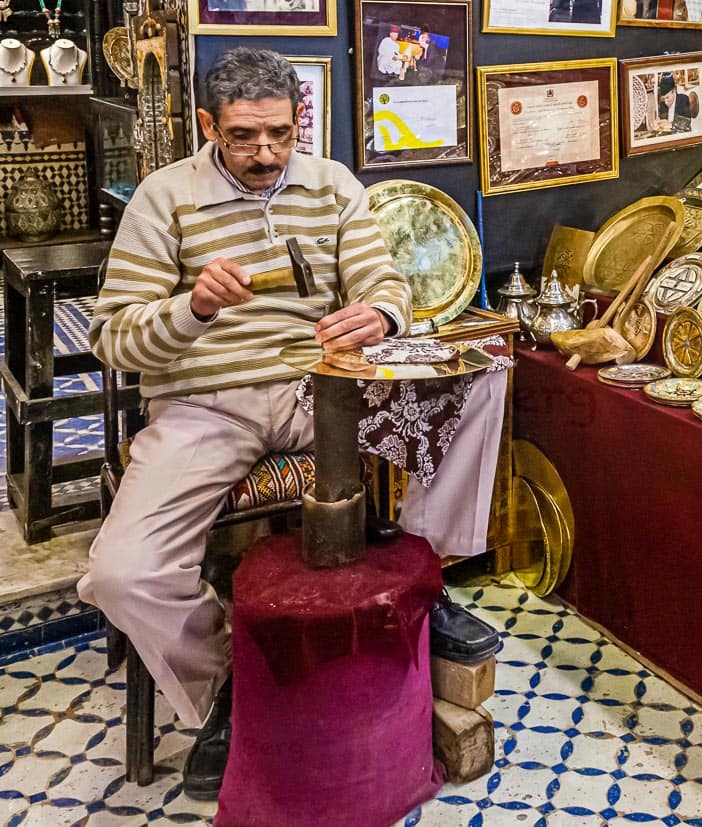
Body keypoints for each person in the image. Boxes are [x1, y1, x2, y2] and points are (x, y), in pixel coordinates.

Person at [77, 47, 412, 800]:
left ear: (300, 120)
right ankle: (232, 677)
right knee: (120, 573)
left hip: (311, 389)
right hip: (204, 404)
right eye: (242, 137)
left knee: (458, 405)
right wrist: (190, 309)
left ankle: (421, 603)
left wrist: (382, 311)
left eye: (280, 135)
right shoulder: (164, 200)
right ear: (207, 124)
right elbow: (112, 338)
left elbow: (384, 281)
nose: (265, 154)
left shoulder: (332, 186)